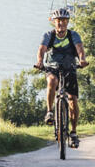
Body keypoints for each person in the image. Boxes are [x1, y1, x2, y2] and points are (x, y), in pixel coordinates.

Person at [35, 8, 88, 148]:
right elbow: (41, 50)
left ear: (68, 22)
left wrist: (82, 59)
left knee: (73, 100)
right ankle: (50, 112)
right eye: (58, 21)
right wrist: (40, 62)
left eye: (64, 21)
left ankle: (74, 133)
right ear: (54, 22)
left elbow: (80, 49)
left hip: (70, 68)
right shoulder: (49, 35)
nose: (61, 24)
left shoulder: (73, 35)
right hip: (52, 67)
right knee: (52, 81)